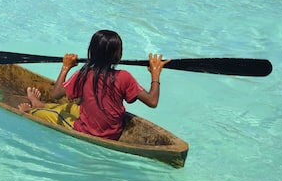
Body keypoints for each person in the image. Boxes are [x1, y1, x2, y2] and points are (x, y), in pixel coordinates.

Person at [17, 29, 169, 140]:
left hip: (89, 131)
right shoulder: (125, 77)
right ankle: (40, 104)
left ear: (91, 52)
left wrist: (65, 67)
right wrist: (155, 74)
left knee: (55, 115)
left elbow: (56, 94)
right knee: (70, 107)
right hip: (114, 132)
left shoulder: (84, 74)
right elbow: (152, 101)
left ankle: (32, 110)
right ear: (118, 55)